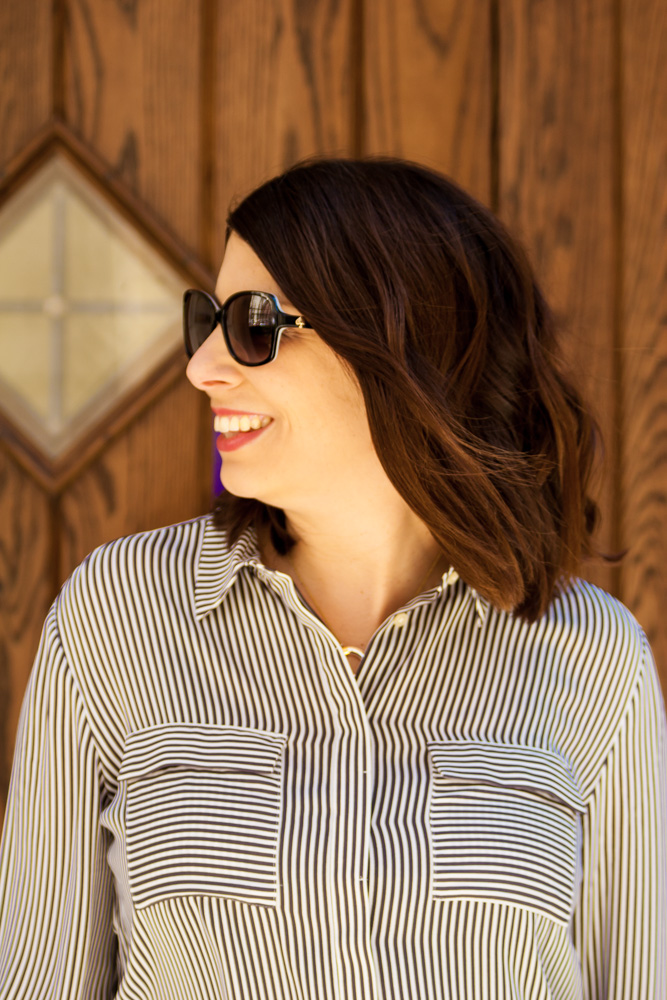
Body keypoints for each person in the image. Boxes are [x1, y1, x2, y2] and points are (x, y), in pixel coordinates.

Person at [0, 157, 665, 1000]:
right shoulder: (116, 614)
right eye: (203, 321)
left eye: (251, 325)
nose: (203, 367)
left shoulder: (590, 659)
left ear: (398, 347)